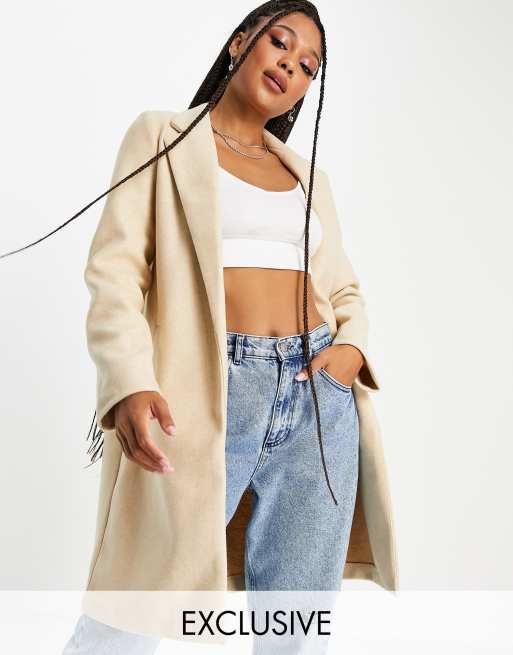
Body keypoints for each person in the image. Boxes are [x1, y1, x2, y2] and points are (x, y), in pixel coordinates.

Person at [0, 1, 399, 652]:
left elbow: (342, 287)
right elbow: (115, 271)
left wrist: (349, 349)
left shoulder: (308, 179)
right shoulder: (161, 138)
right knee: (132, 609)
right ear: (240, 42)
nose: (291, 67)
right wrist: (129, 380)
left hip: (317, 403)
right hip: (205, 389)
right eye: (280, 43)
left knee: (295, 628)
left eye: (308, 67)